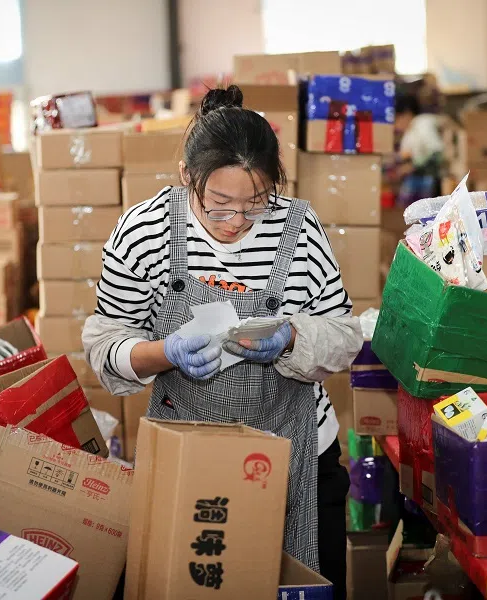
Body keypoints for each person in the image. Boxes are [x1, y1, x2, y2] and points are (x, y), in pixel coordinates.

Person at [83, 85, 362, 598]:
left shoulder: (300, 232)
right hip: (186, 463)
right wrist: (163, 353)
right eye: (219, 206)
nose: (236, 222)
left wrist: (292, 338)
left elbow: (344, 336)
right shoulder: (144, 231)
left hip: (297, 461)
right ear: (188, 178)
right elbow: (105, 345)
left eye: (255, 205)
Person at [393, 93, 444, 206]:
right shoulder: (410, 130)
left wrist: (412, 167)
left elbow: (437, 153)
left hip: (430, 178)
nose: (396, 125)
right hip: (419, 176)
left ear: (407, 113)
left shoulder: (423, 123)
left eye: (397, 119)